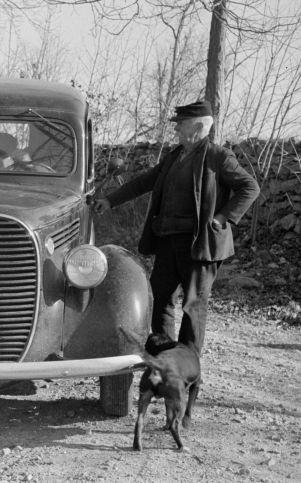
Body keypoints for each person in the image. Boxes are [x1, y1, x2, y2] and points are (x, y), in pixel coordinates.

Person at [95, 100, 259, 354]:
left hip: (200, 244)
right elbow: (145, 181)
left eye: (180, 125)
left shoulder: (219, 157)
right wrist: (109, 200)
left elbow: (250, 187)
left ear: (198, 126)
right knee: (161, 300)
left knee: (194, 305)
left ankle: (185, 367)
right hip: (167, 240)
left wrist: (221, 218)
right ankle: (165, 359)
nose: (175, 130)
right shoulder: (174, 156)